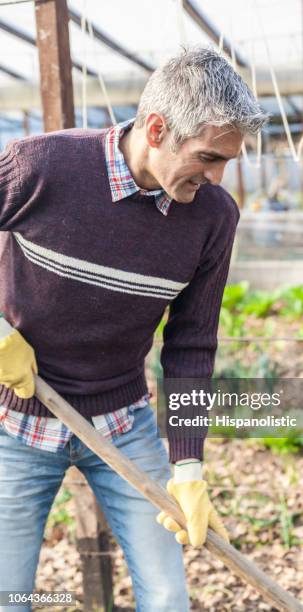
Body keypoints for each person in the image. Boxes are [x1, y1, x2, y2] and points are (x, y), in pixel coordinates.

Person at [0, 47, 266, 611]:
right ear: (155, 128)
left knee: (168, 595)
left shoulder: (213, 216)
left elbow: (192, 343)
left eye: (227, 161)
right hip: (14, 424)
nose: (217, 176)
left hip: (122, 423)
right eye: (207, 157)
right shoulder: (40, 166)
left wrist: (189, 465)